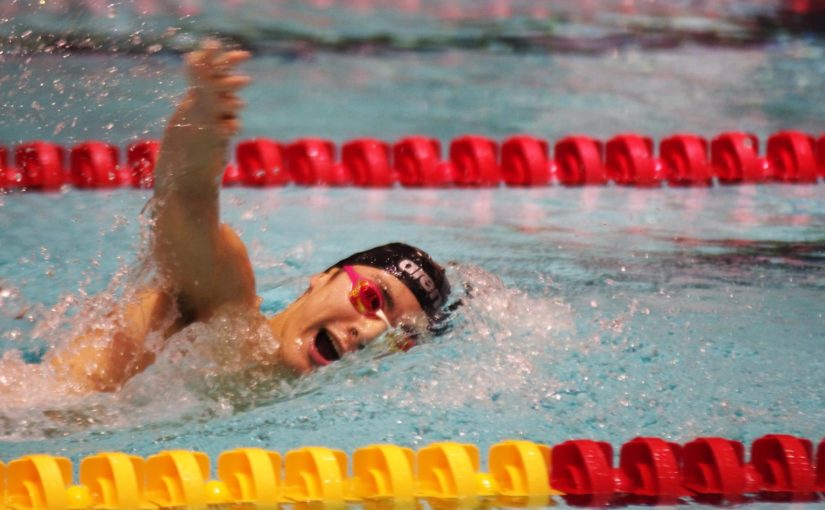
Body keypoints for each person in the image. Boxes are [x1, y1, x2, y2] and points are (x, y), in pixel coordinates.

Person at [44, 40, 451, 393]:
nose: (372, 333)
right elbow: (184, 200)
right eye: (372, 298)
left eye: (401, 338)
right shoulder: (224, 315)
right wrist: (201, 120)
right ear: (322, 278)